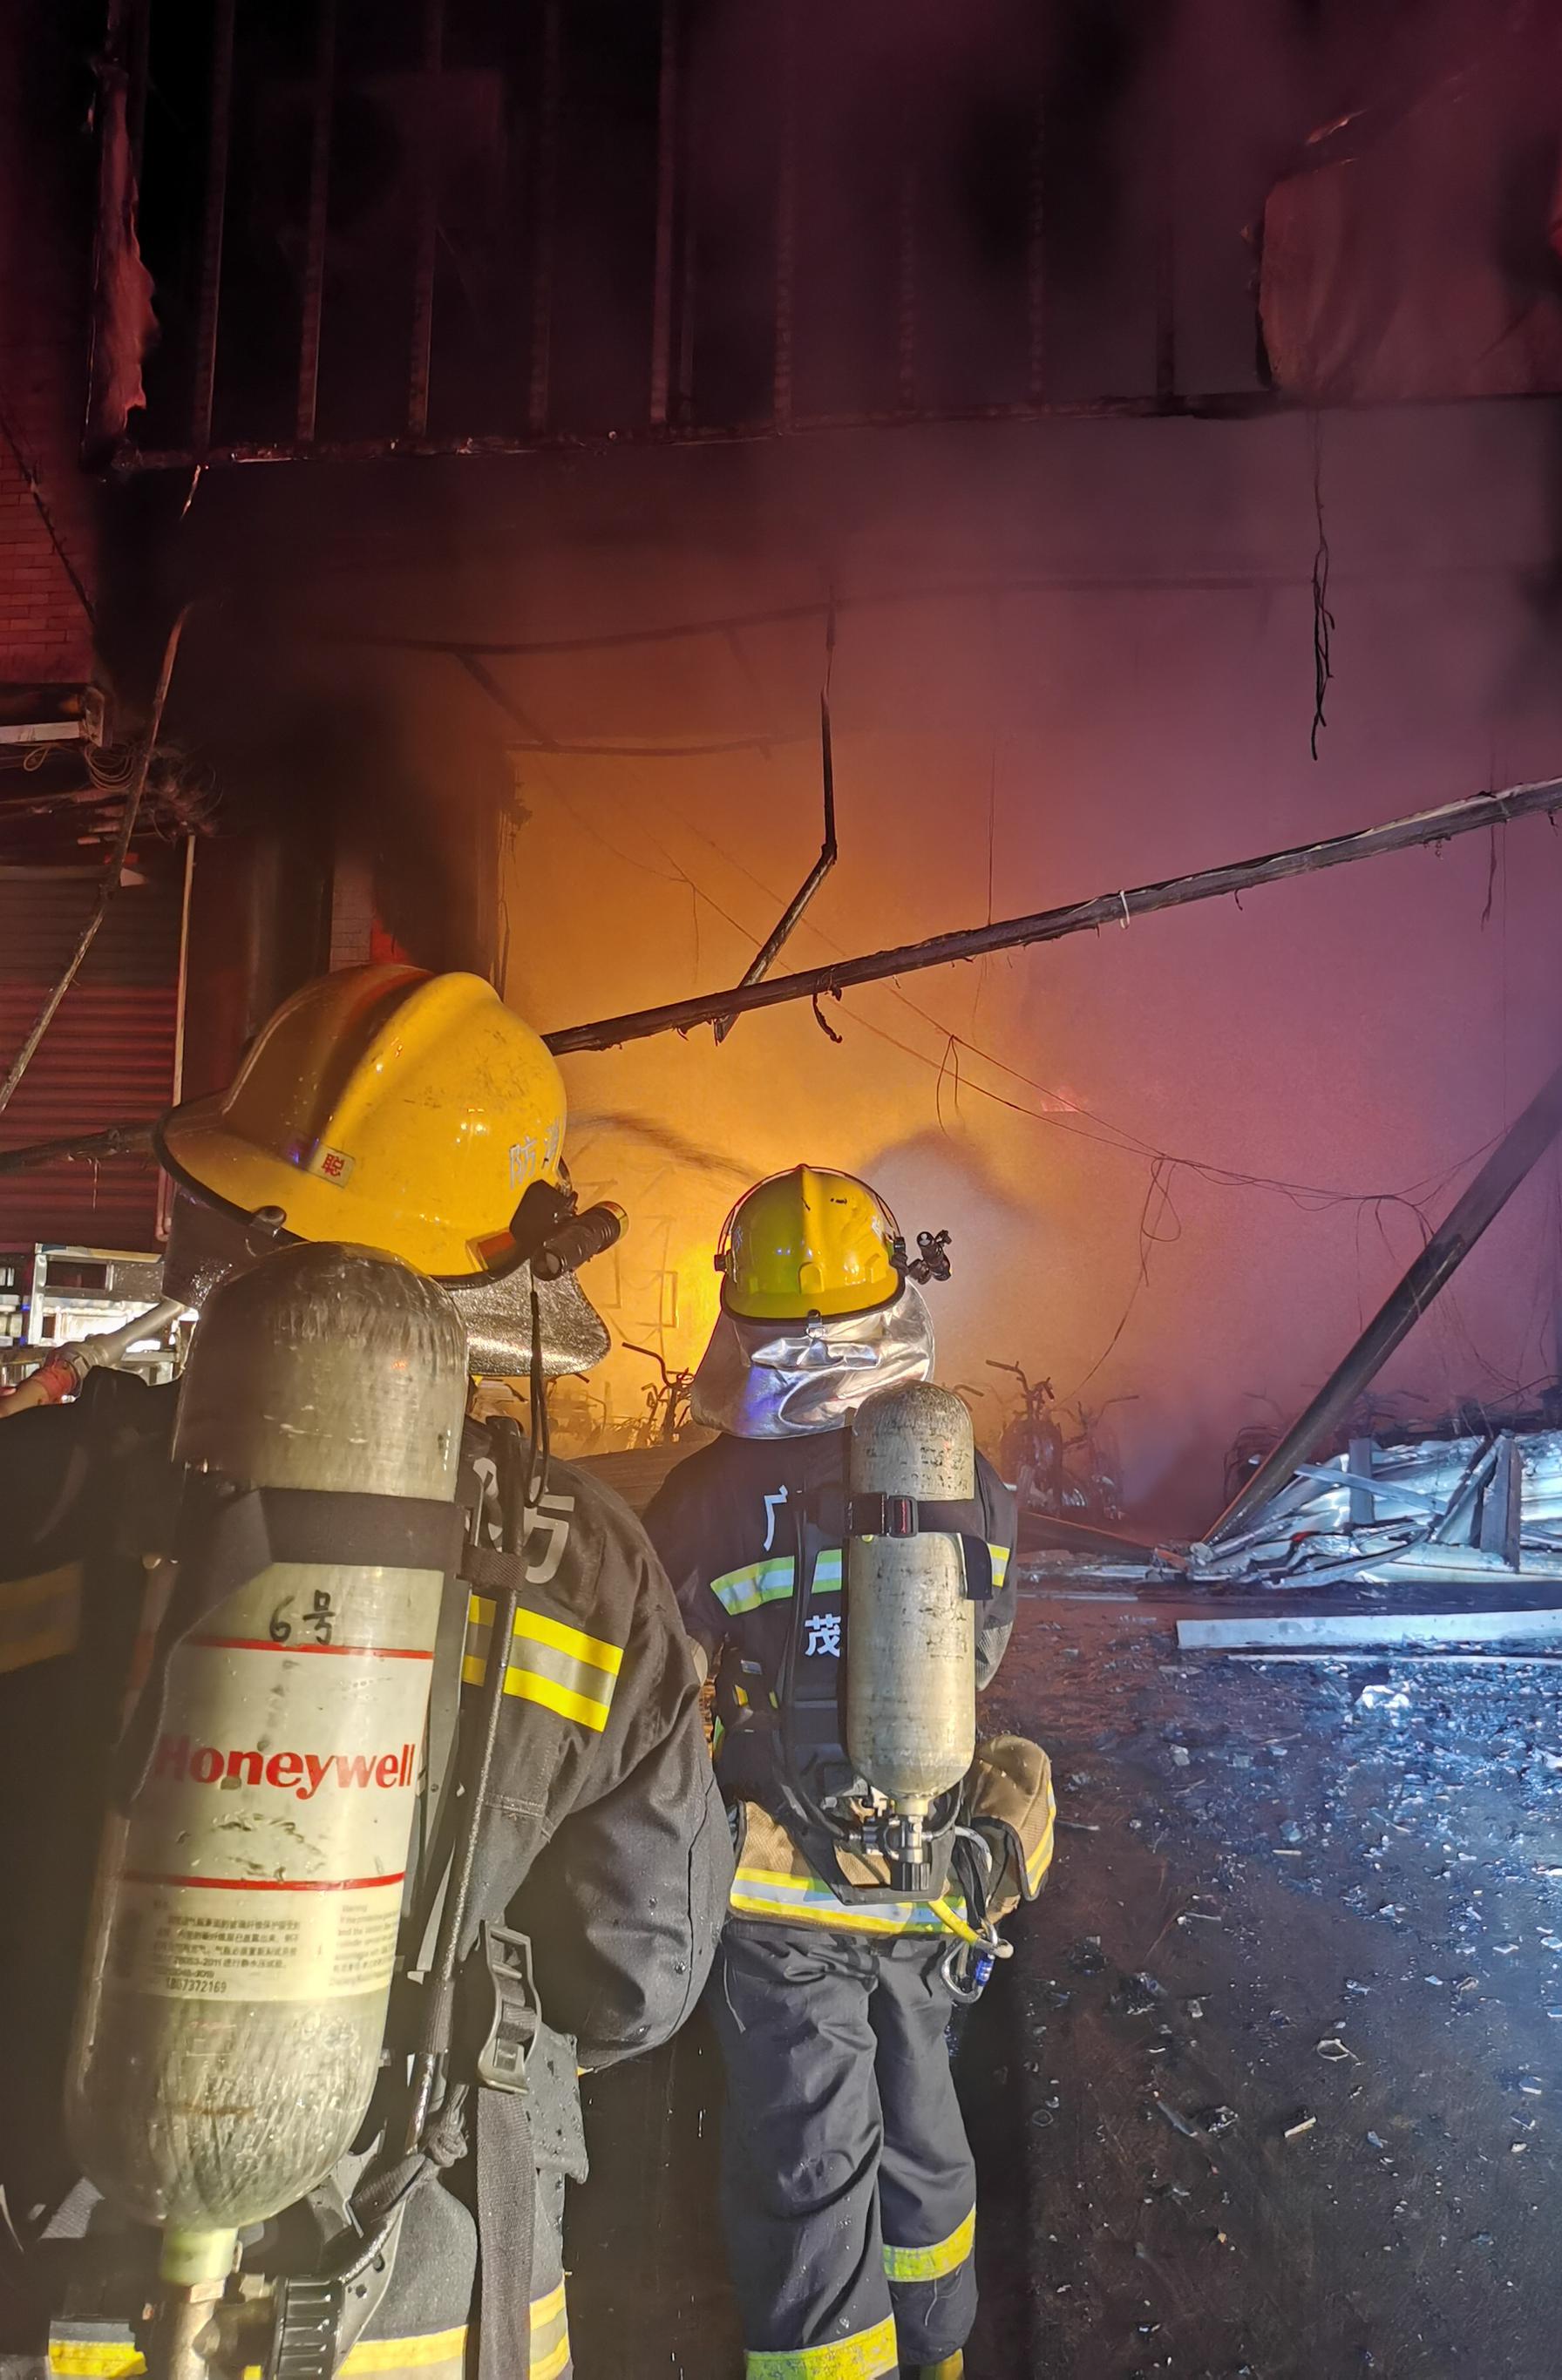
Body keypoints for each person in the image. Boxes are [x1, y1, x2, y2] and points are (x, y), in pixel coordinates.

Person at [0, 963, 732, 2380]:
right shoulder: (586, 1568)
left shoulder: (33, 1490)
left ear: (224, 1210)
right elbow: (640, 1975)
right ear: (510, 1274)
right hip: (417, 2300)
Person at [644, 1167, 1051, 2380]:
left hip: (777, 1895)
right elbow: (981, 1648)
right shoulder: (957, 1473)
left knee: (808, 2162)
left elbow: (657, 1672)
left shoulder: (707, 1495)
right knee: (926, 2133)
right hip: (928, 1871)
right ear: (889, 1302)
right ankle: (937, 2354)